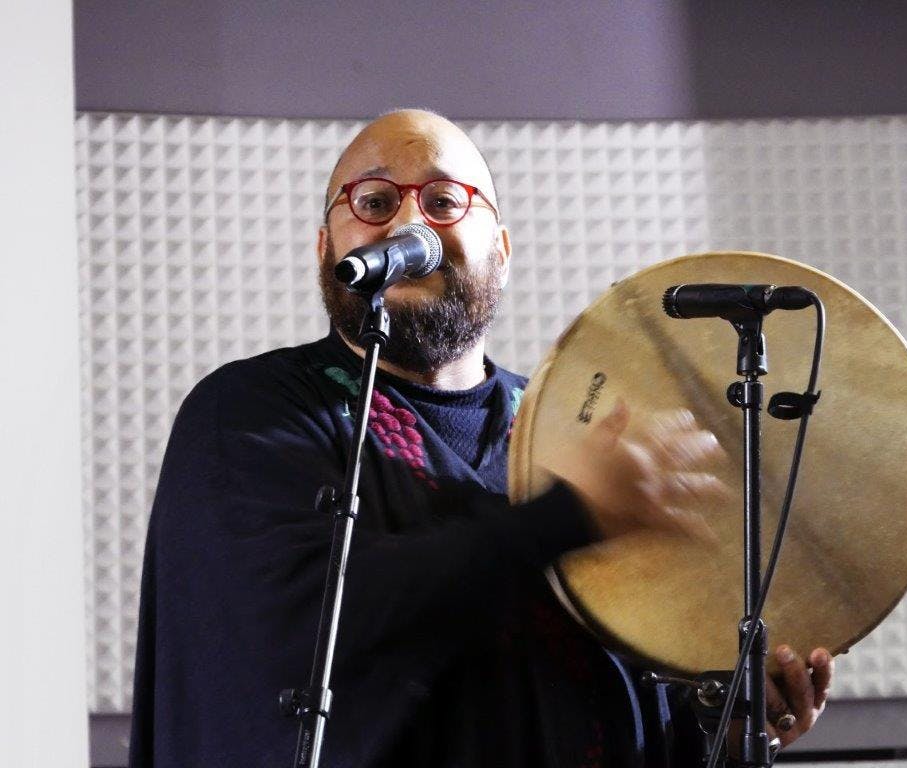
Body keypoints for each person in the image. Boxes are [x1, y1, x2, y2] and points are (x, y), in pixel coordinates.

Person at [128, 109, 833, 768]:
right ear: (327, 248)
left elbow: (629, 686)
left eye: (443, 202)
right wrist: (569, 515)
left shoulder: (566, 426)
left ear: (500, 249)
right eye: (374, 202)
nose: (410, 222)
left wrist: (724, 723)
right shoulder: (251, 411)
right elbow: (294, 632)